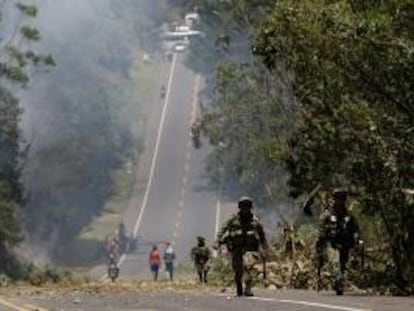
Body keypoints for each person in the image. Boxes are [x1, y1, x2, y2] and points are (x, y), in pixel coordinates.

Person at [216, 196, 268, 297]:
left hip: (250, 250)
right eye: (243, 207)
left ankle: (248, 288)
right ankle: (239, 286)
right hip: (237, 249)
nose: (245, 209)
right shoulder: (233, 220)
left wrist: (265, 248)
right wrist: (218, 241)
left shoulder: (255, 221)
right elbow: (223, 229)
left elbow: (262, 235)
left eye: (247, 207)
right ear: (240, 207)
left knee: (248, 266)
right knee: (238, 270)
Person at [316, 189, 361, 295]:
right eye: (338, 198)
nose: (340, 201)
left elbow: (355, 229)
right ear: (334, 199)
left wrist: (358, 240)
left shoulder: (349, 216)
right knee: (334, 263)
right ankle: (338, 281)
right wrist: (319, 243)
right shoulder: (327, 215)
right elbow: (321, 230)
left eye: (342, 198)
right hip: (332, 244)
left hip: (345, 244)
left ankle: (338, 282)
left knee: (343, 265)